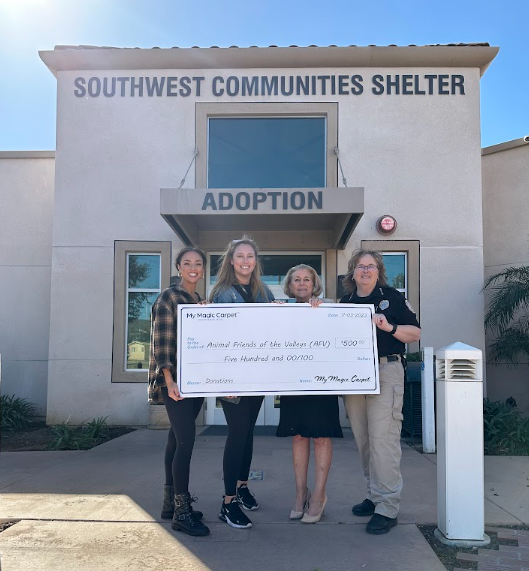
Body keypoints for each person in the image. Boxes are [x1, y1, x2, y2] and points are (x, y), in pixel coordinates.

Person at [340, 250, 421, 535]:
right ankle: (375, 495)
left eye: (370, 266)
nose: (365, 271)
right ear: (352, 272)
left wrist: (391, 326)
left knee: (383, 440)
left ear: (378, 271)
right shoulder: (346, 302)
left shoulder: (393, 297)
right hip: (354, 377)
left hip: (385, 372)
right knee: (364, 440)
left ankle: (388, 507)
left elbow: (416, 333)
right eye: (360, 266)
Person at [209, 237, 275, 529]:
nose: (245, 261)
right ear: (231, 260)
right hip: (232, 377)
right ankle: (227, 502)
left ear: (255, 261)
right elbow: (213, 334)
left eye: (250, 256)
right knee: (237, 432)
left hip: (257, 376)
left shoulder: (263, 290)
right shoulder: (222, 292)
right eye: (240, 256)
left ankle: (242, 485)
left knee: (248, 431)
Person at [148, 246, 210, 537]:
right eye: (187, 263)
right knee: (186, 441)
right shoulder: (169, 297)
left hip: (195, 380)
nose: (193, 267)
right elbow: (161, 340)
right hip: (176, 382)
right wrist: (169, 379)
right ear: (178, 267)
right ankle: (181, 513)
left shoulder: (197, 300)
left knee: (175, 439)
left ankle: (169, 504)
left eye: (198, 263)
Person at [276, 264, 343, 523]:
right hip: (293, 381)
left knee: (321, 437)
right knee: (299, 435)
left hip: (322, 382)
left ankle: (319, 496)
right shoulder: (281, 309)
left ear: (314, 284)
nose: (302, 284)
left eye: (307, 279)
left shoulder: (326, 309)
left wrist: (323, 312)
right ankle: (300, 494)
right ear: (290, 285)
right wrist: (274, 314)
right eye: (296, 280)